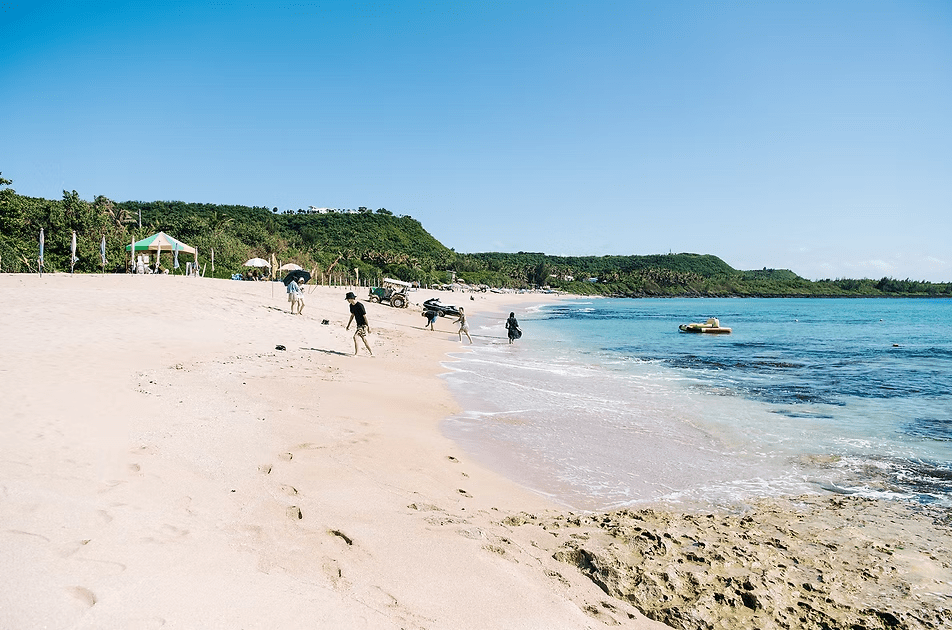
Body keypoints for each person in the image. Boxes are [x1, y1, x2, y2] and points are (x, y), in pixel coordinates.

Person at [345, 291, 373, 356]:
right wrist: (348, 325)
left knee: (355, 337)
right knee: (364, 339)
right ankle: (372, 352)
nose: (347, 300)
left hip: (363, 325)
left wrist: (368, 327)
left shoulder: (360, 305)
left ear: (351, 298)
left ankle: (357, 353)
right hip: (359, 325)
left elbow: (365, 317)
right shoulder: (351, 306)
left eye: (348, 299)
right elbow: (352, 316)